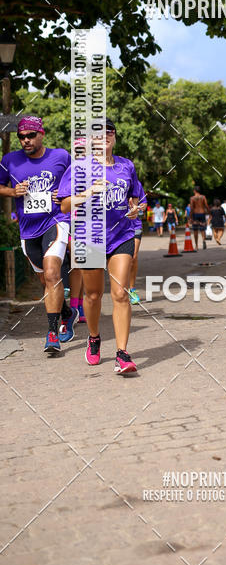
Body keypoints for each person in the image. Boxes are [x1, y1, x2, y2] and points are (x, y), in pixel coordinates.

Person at [58, 118, 146, 375]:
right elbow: (64, 206)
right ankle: (94, 337)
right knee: (93, 295)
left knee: (120, 294)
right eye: (97, 134)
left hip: (121, 235)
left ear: (115, 137)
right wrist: (89, 193)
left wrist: (135, 209)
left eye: (108, 132)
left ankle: (122, 353)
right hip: (89, 237)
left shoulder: (126, 166)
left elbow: (138, 200)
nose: (103, 137)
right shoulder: (79, 168)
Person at [0, 116, 76, 353]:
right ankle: (66, 312)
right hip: (28, 228)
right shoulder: (9, 160)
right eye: (21, 136)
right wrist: (13, 191)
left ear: (42, 134)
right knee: (45, 281)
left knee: (53, 273)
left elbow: (78, 182)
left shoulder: (61, 156)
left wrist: (63, 194)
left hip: (56, 221)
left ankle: (52, 333)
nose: (26, 140)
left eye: (31, 135)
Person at [128, 201, 147, 305]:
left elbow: (143, 206)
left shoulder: (136, 185)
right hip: (115, 228)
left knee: (133, 257)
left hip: (135, 226)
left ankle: (132, 290)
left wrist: (141, 207)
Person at [190, 185, 209, 250]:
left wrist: (190, 217)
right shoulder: (203, 197)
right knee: (202, 229)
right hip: (202, 213)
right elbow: (206, 205)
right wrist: (209, 213)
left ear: (194, 191)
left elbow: (192, 208)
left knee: (195, 230)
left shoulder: (192, 198)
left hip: (195, 214)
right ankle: (203, 240)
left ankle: (197, 245)